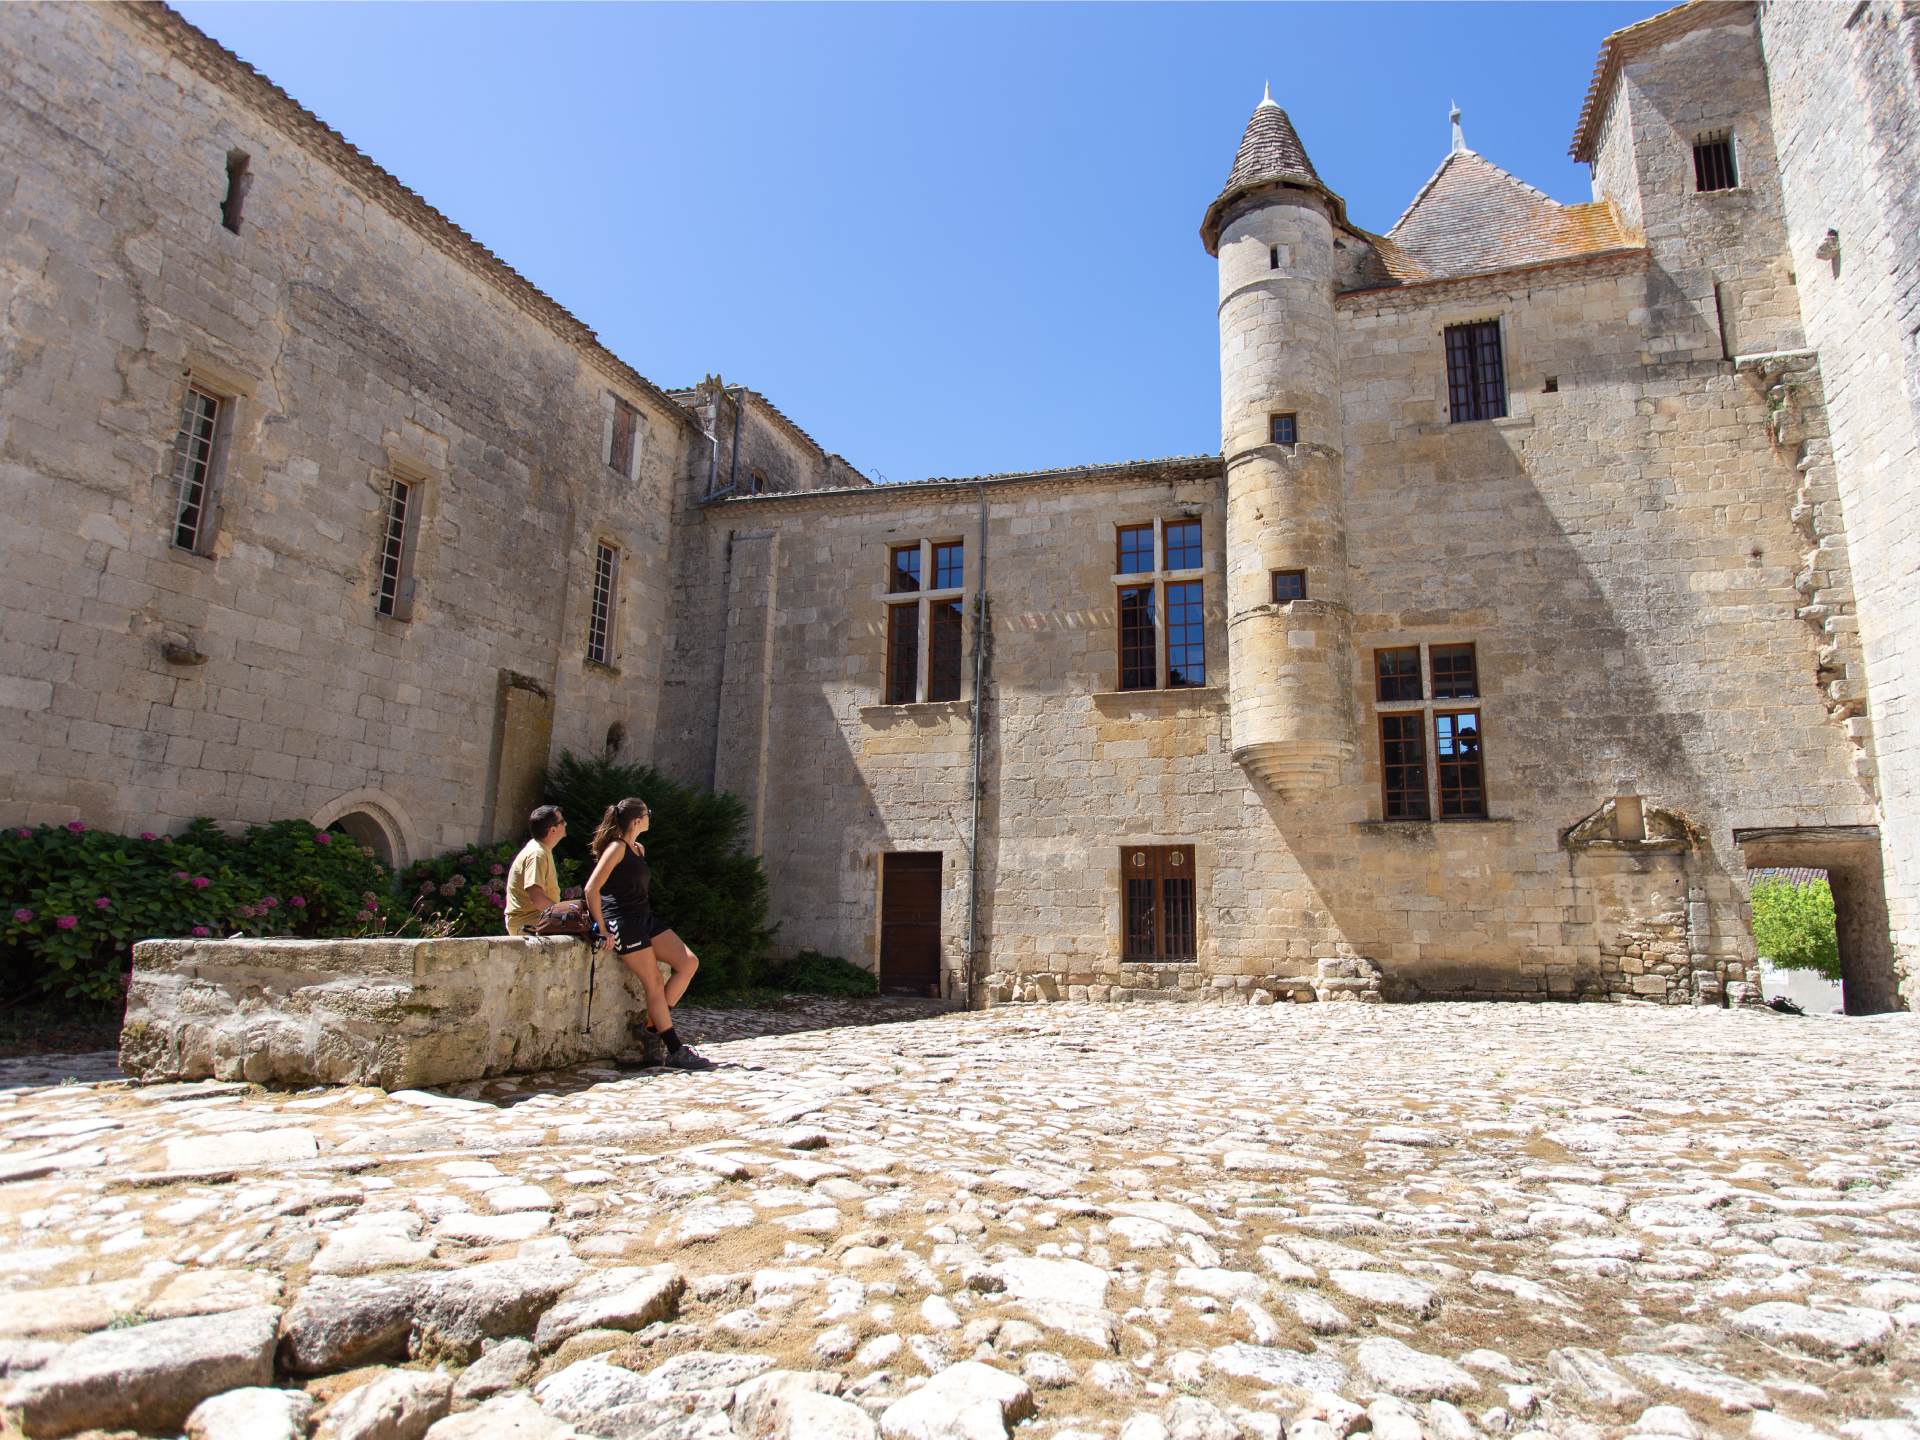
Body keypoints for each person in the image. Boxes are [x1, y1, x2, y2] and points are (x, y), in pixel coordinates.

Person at [583, 797, 715, 1071]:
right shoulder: (616, 848)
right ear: (636, 820)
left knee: (688, 962)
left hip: (644, 918)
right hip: (622, 922)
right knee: (654, 981)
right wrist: (603, 929)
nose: (650, 818)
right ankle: (675, 1048)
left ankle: (650, 1029)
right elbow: (591, 889)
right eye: (647, 814)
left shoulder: (638, 849)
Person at [505, 805, 565, 937]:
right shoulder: (537, 853)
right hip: (528, 924)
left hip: (536, 920)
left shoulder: (541, 849)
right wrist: (564, 915)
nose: (565, 824)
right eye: (562, 822)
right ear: (553, 830)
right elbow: (537, 898)